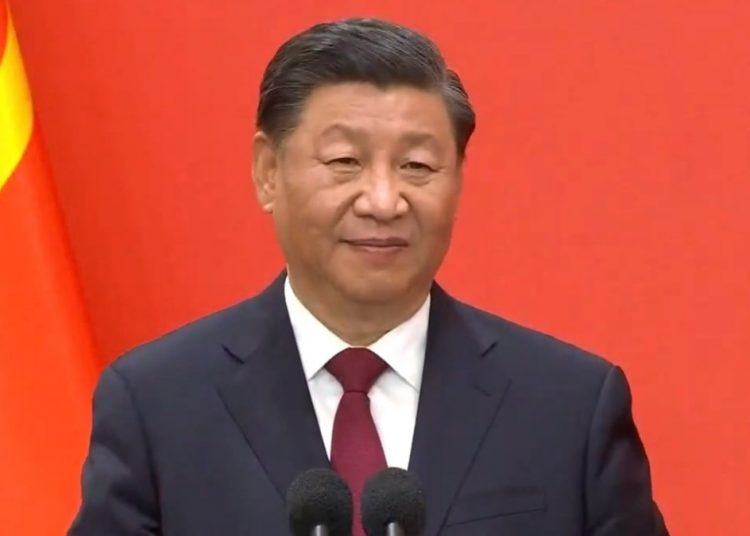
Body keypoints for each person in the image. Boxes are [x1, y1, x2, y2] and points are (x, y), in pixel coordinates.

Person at [69, 18, 669, 536]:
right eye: (345, 161)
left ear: (459, 179)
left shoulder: (568, 408)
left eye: (417, 165)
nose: (384, 200)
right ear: (268, 172)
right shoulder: (158, 406)